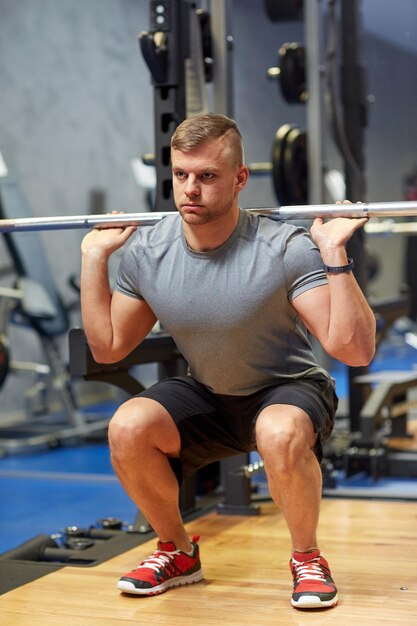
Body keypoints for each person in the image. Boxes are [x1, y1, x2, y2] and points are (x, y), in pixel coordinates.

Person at [80, 113, 376, 609]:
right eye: (181, 175)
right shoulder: (149, 251)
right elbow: (107, 348)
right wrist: (95, 259)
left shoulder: (282, 247)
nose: (190, 190)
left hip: (287, 387)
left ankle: (307, 557)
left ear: (240, 179)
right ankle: (176, 551)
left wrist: (332, 251)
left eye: (207, 176)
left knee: (279, 431)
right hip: (209, 393)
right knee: (127, 427)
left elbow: (354, 350)